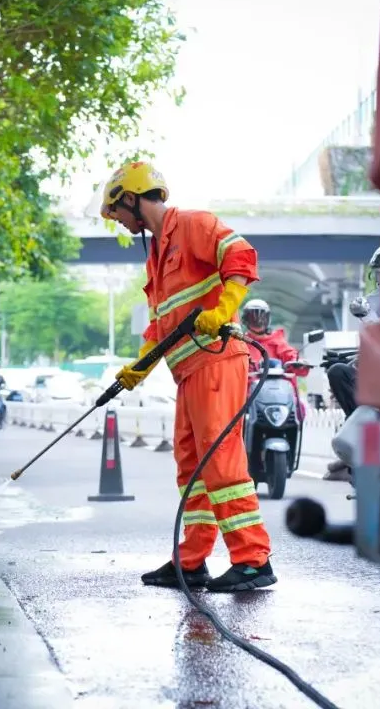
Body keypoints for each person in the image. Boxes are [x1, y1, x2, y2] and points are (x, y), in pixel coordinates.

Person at [103, 160, 275, 593]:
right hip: (188, 372)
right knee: (191, 467)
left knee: (220, 462)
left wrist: (223, 309)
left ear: (132, 197)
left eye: (119, 212)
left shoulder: (193, 225)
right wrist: (138, 368)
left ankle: (253, 560)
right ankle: (192, 561)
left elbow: (240, 255)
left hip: (217, 360)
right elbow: (161, 325)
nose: (120, 222)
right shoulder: (158, 255)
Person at [323, 243, 380, 481]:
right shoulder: (371, 301)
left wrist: (368, 316)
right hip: (375, 374)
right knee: (338, 372)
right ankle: (357, 435)